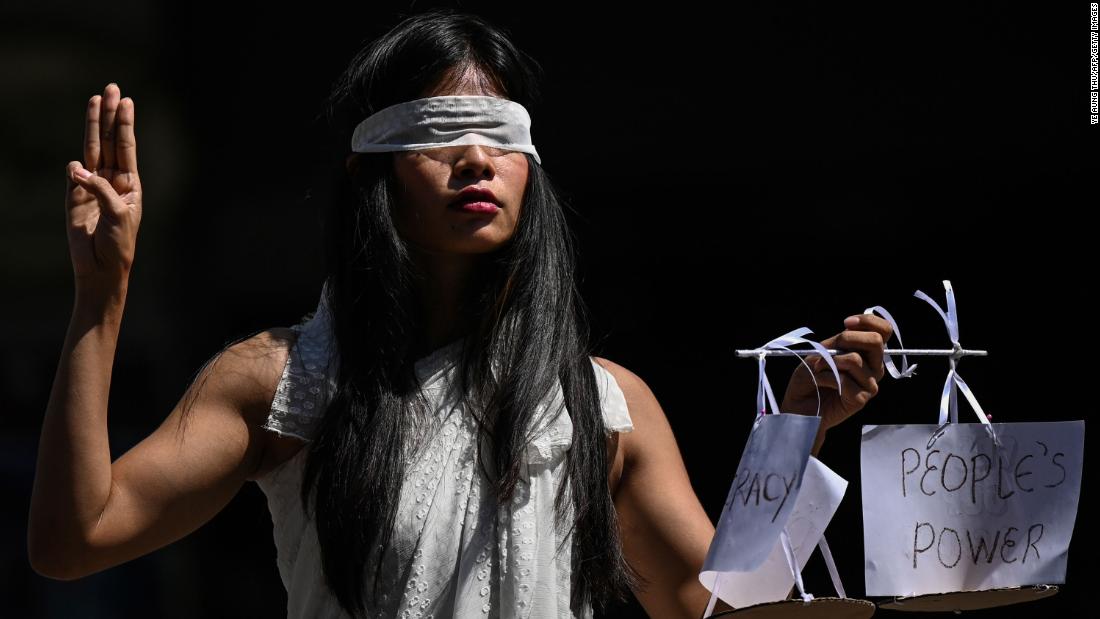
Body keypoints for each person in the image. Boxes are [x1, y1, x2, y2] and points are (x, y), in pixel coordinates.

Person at [28, 8, 894, 619]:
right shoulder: (284, 382)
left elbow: (709, 607)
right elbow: (75, 542)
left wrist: (799, 427)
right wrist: (100, 304)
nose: (477, 157)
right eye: (441, 128)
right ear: (373, 170)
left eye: (500, 134)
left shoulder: (604, 406)